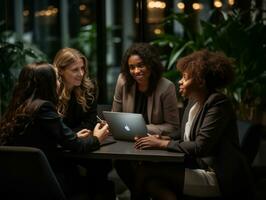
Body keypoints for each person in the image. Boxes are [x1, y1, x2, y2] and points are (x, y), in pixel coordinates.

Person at [133, 49, 255, 199]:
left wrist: (162, 144)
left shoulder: (218, 104)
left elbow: (200, 146)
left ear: (200, 81)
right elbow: (184, 132)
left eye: (185, 77)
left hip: (217, 175)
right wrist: (164, 137)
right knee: (153, 182)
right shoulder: (193, 100)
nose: (180, 81)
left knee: (145, 171)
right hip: (196, 166)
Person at [0, 63, 111, 199]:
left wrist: (73, 135)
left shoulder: (18, 106)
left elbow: (38, 138)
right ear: (48, 83)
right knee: (102, 184)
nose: (59, 83)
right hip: (46, 182)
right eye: (57, 79)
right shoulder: (44, 107)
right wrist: (97, 139)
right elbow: (77, 146)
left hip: (16, 182)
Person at [112, 42, 180, 199]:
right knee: (120, 163)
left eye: (140, 65)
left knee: (142, 171)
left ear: (151, 64)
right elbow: (116, 114)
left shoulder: (166, 87)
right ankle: (138, 194)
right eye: (131, 67)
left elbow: (173, 126)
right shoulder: (123, 81)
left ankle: (137, 195)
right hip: (127, 143)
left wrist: (142, 127)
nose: (136, 71)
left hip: (154, 144)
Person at [53, 48, 115, 199]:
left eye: (82, 68)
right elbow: (53, 128)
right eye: (75, 70)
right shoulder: (51, 91)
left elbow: (90, 121)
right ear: (60, 71)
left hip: (80, 139)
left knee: (101, 164)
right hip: (59, 146)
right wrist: (72, 135)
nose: (81, 73)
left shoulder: (89, 88)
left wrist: (75, 135)